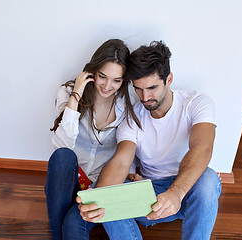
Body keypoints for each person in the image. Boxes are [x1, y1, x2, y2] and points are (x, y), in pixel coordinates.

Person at [78, 40, 222, 240]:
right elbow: (121, 160)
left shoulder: (196, 103)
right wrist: (100, 199)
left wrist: (176, 193)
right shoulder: (133, 116)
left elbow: (202, 148)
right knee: (101, 193)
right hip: (149, 194)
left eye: (152, 88)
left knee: (208, 179)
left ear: (169, 79)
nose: (145, 97)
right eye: (138, 89)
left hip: (186, 191)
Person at [45, 39, 142, 240]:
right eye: (102, 76)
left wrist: (132, 171)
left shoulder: (129, 104)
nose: (107, 86)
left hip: (102, 183)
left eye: (117, 80)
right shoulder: (69, 91)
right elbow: (61, 147)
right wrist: (76, 96)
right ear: (92, 72)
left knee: (73, 224)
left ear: (124, 81)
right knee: (63, 156)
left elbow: (129, 143)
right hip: (67, 182)